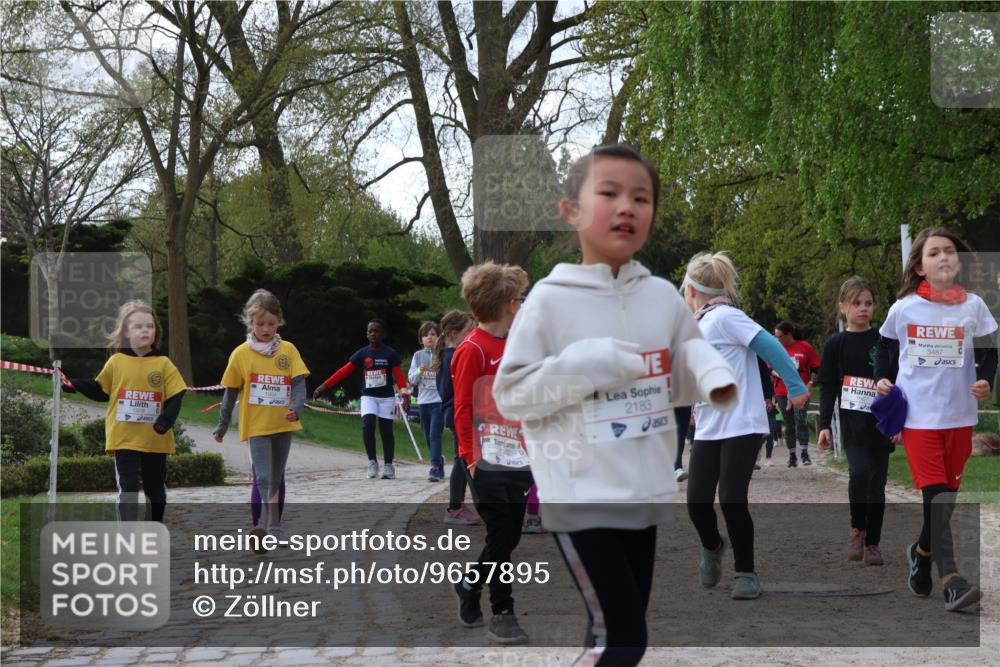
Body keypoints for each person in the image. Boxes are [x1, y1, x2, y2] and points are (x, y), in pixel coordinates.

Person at [494, 144, 738, 666]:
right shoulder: (549, 299)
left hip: (642, 492)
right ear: (572, 210)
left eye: (641, 197)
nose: (627, 206)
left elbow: (682, 361)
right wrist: (589, 364)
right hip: (579, 492)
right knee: (623, 640)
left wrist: (711, 374)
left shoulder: (663, 298)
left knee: (611, 634)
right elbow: (512, 394)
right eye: (609, 193)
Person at [875, 227, 997, 612]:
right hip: (919, 417)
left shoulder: (973, 306)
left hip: (960, 416)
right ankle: (952, 581)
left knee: (946, 500)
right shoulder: (905, 308)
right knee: (936, 497)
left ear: (958, 263)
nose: (943, 257)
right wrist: (883, 377)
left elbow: (990, 349)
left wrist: (985, 381)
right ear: (921, 266)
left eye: (949, 252)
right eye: (934, 253)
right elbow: (884, 347)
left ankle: (921, 550)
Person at [680, 251, 808, 601]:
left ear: (691, 290)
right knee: (696, 502)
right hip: (709, 425)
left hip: (741, 423)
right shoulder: (697, 326)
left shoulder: (725, 317)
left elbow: (769, 344)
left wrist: (795, 386)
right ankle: (713, 545)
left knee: (732, 499)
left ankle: (745, 572)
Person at [450, 261, 533, 645]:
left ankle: (469, 586)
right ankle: (503, 612)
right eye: (517, 299)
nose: (520, 304)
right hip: (483, 459)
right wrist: (470, 457)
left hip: (517, 456)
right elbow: (463, 409)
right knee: (500, 533)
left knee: (511, 535)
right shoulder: (471, 350)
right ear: (505, 305)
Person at [67, 301, 187, 522]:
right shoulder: (116, 361)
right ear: (126, 332)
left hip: (155, 439)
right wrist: (75, 384)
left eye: (149, 326)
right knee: (128, 490)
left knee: (155, 491)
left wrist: (165, 420)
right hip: (124, 437)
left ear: (156, 331)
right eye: (138, 327)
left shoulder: (163, 363)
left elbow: (177, 395)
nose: (145, 331)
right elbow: (101, 390)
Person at [214, 289, 309, 545]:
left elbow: (299, 385)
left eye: (271, 323)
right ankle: (262, 526)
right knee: (263, 476)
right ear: (250, 322)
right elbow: (230, 392)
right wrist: (222, 425)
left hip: (282, 425)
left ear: (279, 321)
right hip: (255, 427)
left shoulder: (288, 351)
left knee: (276, 476)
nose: (266, 329)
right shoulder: (240, 354)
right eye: (260, 324)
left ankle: (275, 528)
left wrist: (296, 407)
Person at [817, 277, 893, 565]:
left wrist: (898, 424)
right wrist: (825, 425)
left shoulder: (884, 342)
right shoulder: (835, 345)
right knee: (859, 473)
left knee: (877, 485)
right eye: (856, 303)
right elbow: (827, 388)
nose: (863, 309)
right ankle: (857, 529)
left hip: (881, 426)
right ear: (842, 308)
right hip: (852, 426)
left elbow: (898, 384)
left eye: (868, 303)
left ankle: (873, 543)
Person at [313, 319, 408, 479]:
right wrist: (324, 386)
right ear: (366, 334)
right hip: (368, 396)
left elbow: (399, 377)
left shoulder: (390, 353)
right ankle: (372, 462)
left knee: (386, 432)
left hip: (386, 398)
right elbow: (344, 371)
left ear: (383, 334)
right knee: (368, 426)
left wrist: (405, 396)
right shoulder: (362, 353)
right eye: (370, 331)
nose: (373, 334)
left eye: (376, 331)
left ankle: (389, 465)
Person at [434, 310, 480, 525]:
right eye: (469, 330)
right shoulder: (453, 357)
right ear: (455, 332)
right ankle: (455, 507)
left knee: (462, 459)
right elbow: (451, 392)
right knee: (463, 460)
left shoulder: (452, 354)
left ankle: (459, 505)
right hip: (457, 414)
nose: (474, 334)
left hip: (458, 413)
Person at [773, 321, 820, 467]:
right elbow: (770, 368)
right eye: (775, 336)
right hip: (782, 391)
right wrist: (784, 375)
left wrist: (810, 384)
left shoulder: (804, 347)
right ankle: (792, 455)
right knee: (789, 423)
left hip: (801, 391)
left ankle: (805, 453)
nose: (777, 339)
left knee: (800, 420)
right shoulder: (775, 348)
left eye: (779, 336)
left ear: (789, 334)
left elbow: (816, 367)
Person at [409, 321, 445, 482]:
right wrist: (419, 370)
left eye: (433, 334)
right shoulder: (418, 356)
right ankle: (439, 460)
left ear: (439, 337)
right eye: (426, 335)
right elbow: (412, 379)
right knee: (427, 436)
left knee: (434, 434)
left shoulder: (443, 354)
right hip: (423, 402)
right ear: (421, 339)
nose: (429, 337)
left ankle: (435, 468)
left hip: (439, 401)